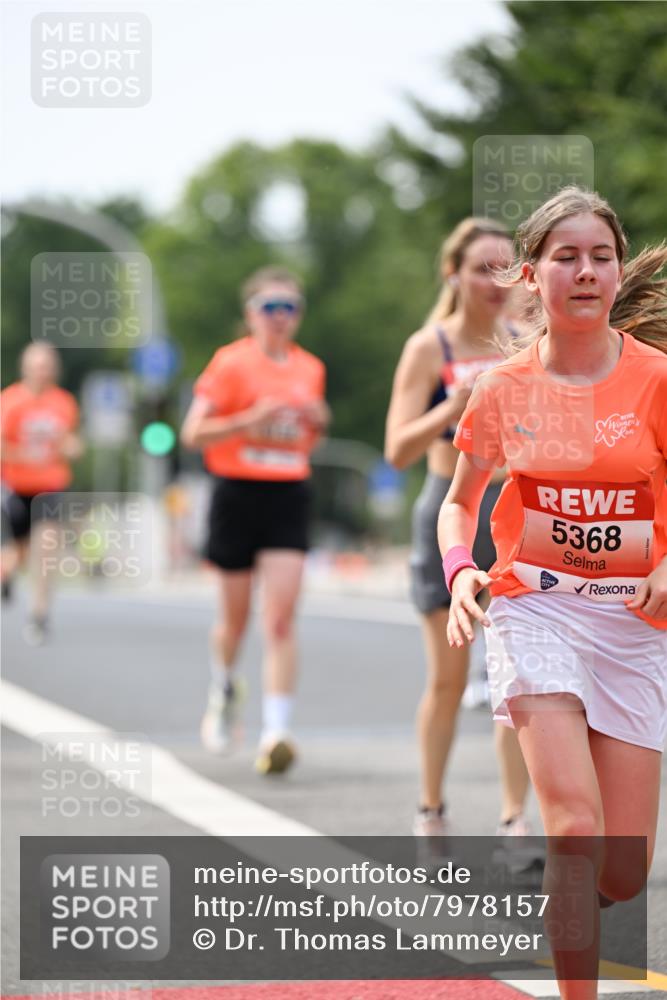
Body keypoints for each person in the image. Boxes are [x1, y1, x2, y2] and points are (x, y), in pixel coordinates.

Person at [438, 186, 667, 999]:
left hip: (635, 623)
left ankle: (578, 902)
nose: (585, 271)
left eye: (599, 256)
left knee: (624, 872)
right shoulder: (501, 388)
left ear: (614, 272)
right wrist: (462, 568)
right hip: (535, 609)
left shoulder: (654, 379)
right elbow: (459, 500)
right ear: (531, 277)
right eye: (564, 257)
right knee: (570, 827)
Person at [384, 218, 534, 843]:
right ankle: (431, 808)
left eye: (506, 268)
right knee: (448, 677)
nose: (495, 281)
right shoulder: (430, 347)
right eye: (481, 268)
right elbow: (395, 450)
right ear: (454, 274)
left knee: (517, 669)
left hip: (517, 515)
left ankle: (514, 818)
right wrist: (452, 406)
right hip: (449, 514)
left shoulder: (528, 339)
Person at [181, 267, 329, 775]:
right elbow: (192, 432)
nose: (281, 317)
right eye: (270, 307)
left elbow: (313, 433)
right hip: (236, 493)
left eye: (291, 307)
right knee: (235, 620)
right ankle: (223, 685)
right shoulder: (230, 364)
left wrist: (318, 418)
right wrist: (249, 419)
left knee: (282, 617)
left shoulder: (310, 368)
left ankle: (276, 731)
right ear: (251, 314)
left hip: (288, 491)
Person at [1, 342, 83, 644]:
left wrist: (72, 448)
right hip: (16, 486)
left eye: (48, 365)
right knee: (17, 554)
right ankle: (6, 574)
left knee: (47, 548)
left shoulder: (63, 402)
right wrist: (25, 455)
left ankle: (39, 615)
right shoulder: (9, 401)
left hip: (50, 486)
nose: (43, 371)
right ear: (26, 368)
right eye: (37, 365)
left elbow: (72, 442)